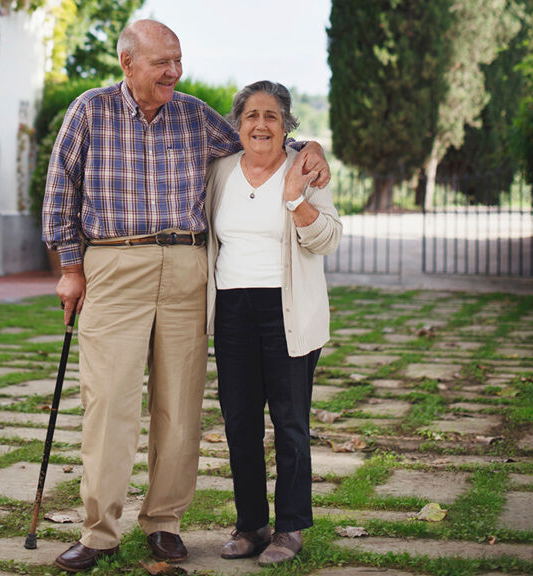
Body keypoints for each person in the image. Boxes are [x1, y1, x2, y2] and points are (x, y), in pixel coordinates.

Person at [42, 20, 331, 572]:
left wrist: (310, 145)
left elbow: (262, 143)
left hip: (187, 267)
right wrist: (70, 267)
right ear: (128, 63)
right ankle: (99, 530)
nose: (174, 72)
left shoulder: (197, 116)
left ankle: (164, 524)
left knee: (180, 406)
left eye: (178, 60)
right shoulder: (89, 111)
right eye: (161, 63)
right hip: (114, 262)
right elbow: (62, 189)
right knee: (109, 402)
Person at [205, 80, 342, 567]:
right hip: (233, 311)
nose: (260, 124)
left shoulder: (305, 170)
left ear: (287, 126)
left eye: (271, 116)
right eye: (251, 116)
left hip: (288, 310)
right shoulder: (219, 170)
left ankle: (289, 528)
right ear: (237, 125)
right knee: (239, 423)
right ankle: (251, 524)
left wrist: (292, 198)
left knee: (290, 423)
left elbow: (327, 238)